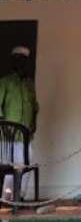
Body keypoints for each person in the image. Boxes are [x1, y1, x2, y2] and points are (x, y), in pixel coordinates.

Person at [0, 46, 38, 202]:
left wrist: (33, 127)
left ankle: (20, 197)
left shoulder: (29, 85)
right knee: (11, 168)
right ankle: (8, 198)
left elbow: (35, 107)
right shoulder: (5, 82)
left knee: (28, 167)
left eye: (24, 61)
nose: (21, 64)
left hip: (26, 136)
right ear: (13, 62)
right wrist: (4, 128)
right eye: (18, 60)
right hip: (8, 137)